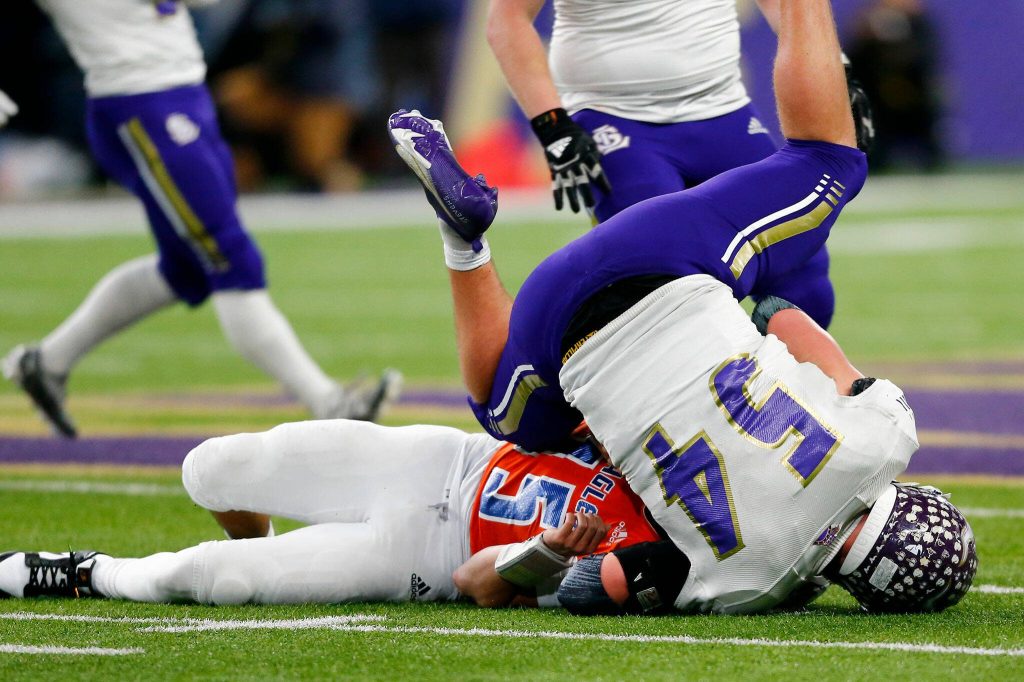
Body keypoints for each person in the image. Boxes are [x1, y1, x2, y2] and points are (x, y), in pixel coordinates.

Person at [387, 0, 976, 614]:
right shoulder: (749, 584)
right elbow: (594, 586)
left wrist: (742, 335)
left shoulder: (883, 441)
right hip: (564, 317)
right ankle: (466, 245)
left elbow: (786, 318)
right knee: (510, 420)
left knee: (830, 158)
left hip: (668, 260)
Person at [1, 0, 400, 439]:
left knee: (186, 268)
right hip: (141, 107)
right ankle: (329, 403)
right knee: (232, 259)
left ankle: (47, 362)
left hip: (186, 95)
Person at [486, 0, 874, 329]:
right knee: (663, 289)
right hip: (615, 117)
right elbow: (507, 18)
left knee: (804, 286)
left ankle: (783, 402)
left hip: (725, 110)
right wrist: (552, 124)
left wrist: (834, 67)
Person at [0, 419, 661, 606]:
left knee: (200, 578)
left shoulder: (645, 558)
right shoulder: (656, 439)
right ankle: (272, 543)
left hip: (426, 557)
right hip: (442, 460)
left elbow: (476, 583)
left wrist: (549, 550)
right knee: (211, 469)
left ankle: (95, 572)